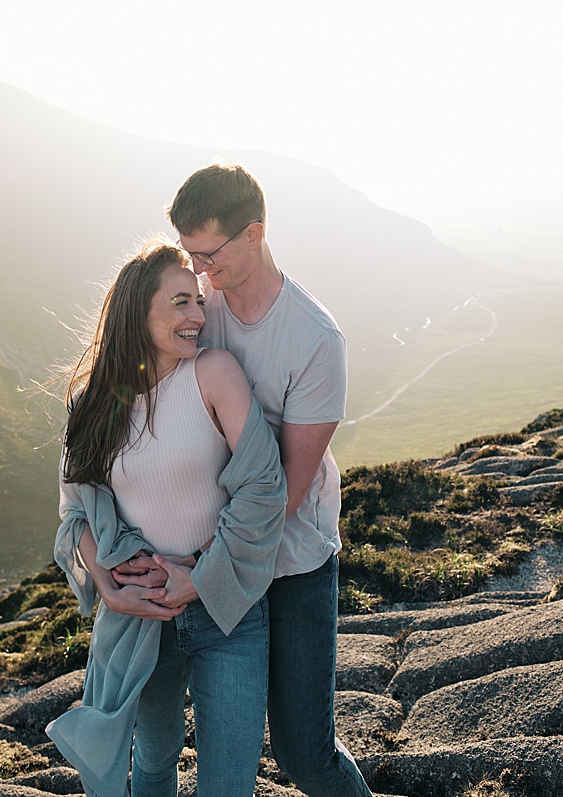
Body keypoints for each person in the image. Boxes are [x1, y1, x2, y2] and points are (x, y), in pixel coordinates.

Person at [115, 164, 373, 797]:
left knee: (303, 753)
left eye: (210, 254)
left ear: (254, 234)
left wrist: (202, 574)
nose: (200, 274)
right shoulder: (202, 310)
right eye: (191, 257)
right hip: (197, 559)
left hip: (289, 564)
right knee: (171, 748)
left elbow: (286, 489)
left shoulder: (315, 338)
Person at [47, 241, 287, 797]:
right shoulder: (89, 402)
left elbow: (263, 487)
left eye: (199, 302)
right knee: (152, 770)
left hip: (227, 610)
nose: (198, 317)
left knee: (227, 786)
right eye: (181, 302)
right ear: (138, 310)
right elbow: (75, 511)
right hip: (143, 619)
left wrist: (198, 577)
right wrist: (105, 582)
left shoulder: (213, 373)